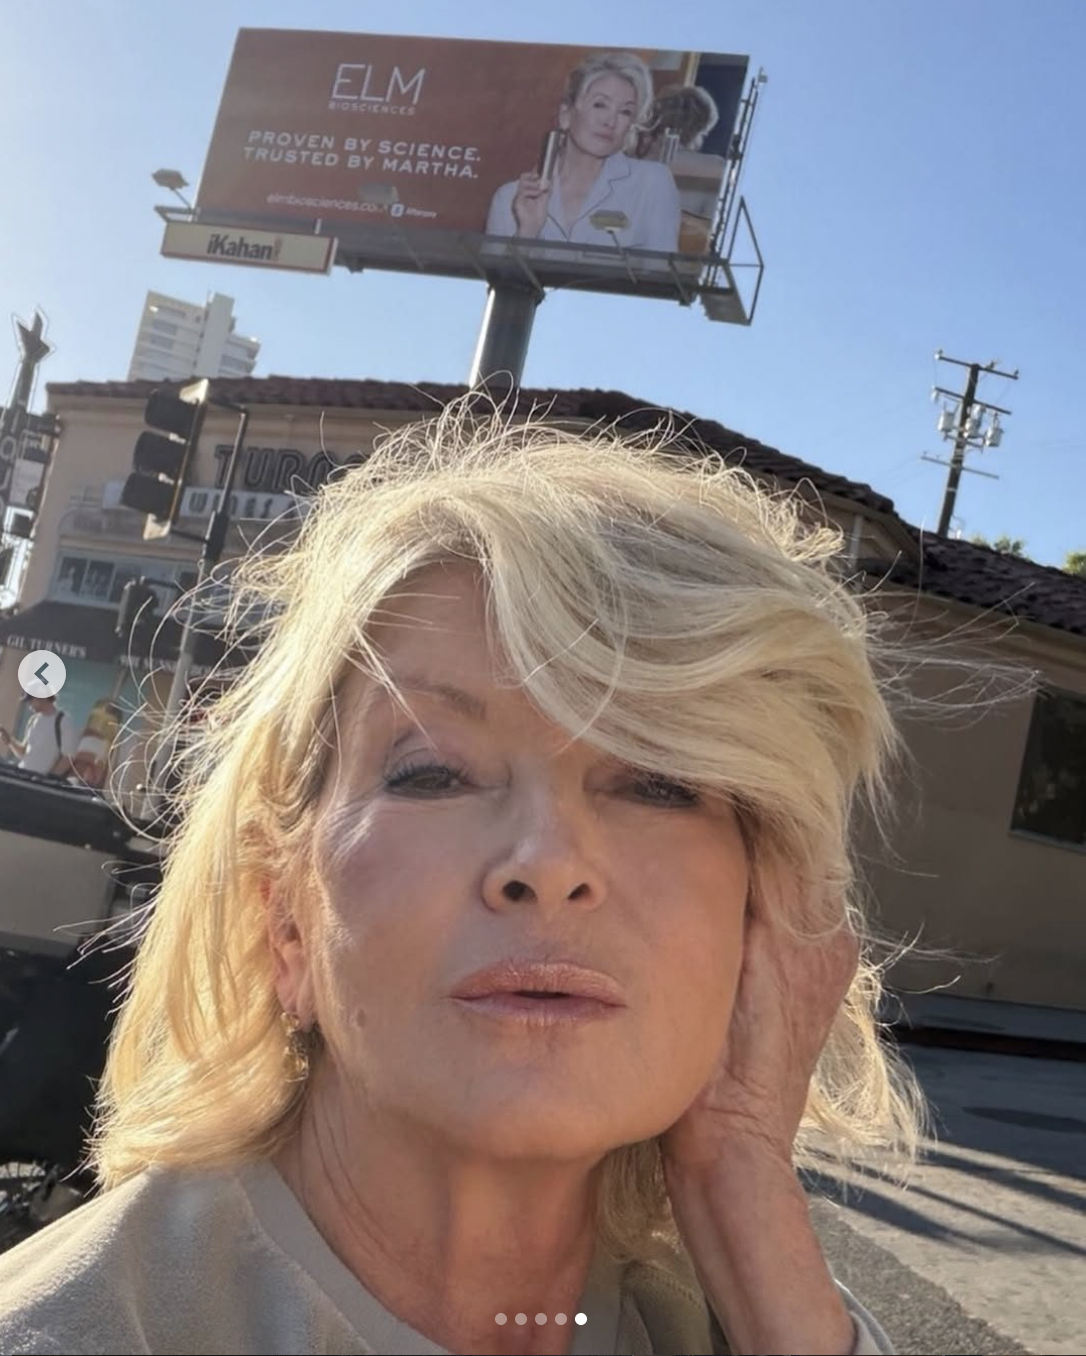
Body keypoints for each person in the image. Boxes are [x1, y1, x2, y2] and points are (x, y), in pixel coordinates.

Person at [0, 411, 921, 1355]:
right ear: (284, 917)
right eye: (432, 772)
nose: (550, 863)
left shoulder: (757, 1320)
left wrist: (749, 1190)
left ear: (766, 923)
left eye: (658, 782)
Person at [486, 53, 681, 253]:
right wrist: (527, 233)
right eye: (600, 104)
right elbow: (499, 283)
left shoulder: (653, 183)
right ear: (566, 115)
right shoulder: (509, 198)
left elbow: (661, 278)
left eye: (625, 112)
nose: (610, 121)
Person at [0, 692, 78, 778]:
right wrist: (10, 741)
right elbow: (24, 753)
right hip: (23, 776)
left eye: (31, 699)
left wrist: (47, 779)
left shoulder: (63, 721)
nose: (29, 704)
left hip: (40, 783)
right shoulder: (33, 720)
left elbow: (68, 758)